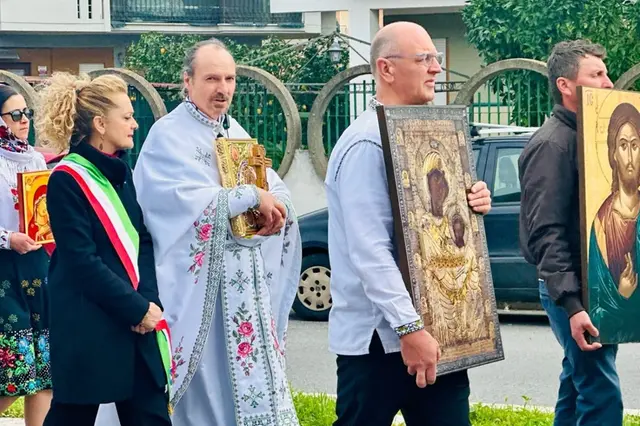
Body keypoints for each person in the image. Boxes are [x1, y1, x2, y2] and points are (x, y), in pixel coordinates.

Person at [104, 38, 302, 426]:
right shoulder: (168, 136)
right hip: (201, 297)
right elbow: (173, 204)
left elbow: (269, 182)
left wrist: (277, 204)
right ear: (188, 81)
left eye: (229, 79)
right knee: (203, 392)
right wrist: (248, 196)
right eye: (212, 78)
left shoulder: (235, 131)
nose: (222, 88)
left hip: (244, 290)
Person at [325, 21, 492, 426]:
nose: (436, 67)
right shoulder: (367, 143)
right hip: (380, 342)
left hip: (438, 332)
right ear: (386, 68)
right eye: (424, 59)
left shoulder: (428, 134)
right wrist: (409, 328)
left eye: (435, 58)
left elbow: (433, 227)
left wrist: (471, 204)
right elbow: (370, 251)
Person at [37, 72, 172, 426]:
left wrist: (148, 301)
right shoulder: (66, 179)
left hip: (135, 323)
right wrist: (135, 308)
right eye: (126, 117)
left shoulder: (120, 172)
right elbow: (82, 262)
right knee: (72, 418)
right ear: (100, 123)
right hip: (89, 325)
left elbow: (141, 241)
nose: (134, 124)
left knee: (151, 417)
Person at [519, 40, 622, 426]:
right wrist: (573, 305)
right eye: (597, 75)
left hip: (594, 283)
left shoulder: (588, 136)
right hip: (574, 290)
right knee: (600, 391)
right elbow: (545, 232)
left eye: (606, 73)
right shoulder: (552, 144)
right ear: (565, 85)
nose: (608, 83)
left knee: (578, 382)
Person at [0, 84, 52, 426]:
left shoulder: (34, 158)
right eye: (15, 114)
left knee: (45, 375)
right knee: (13, 375)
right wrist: (8, 239)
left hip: (36, 266)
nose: (24, 120)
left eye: (27, 113)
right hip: (4, 271)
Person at [588, 103, 640, 342]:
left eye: (635, 146)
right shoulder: (601, 223)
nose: (629, 158)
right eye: (623, 145)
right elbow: (596, 308)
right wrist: (621, 295)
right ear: (613, 154)